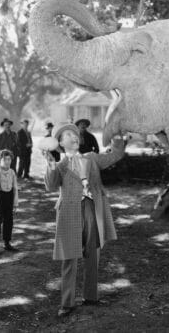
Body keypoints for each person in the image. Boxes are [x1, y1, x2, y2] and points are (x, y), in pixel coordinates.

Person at [43, 123, 124, 317]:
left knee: (93, 253)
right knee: (69, 257)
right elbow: (51, 185)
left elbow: (115, 156)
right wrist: (50, 164)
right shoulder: (61, 165)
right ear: (60, 143)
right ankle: (67, 302)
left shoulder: (92, 158)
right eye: (68, 134)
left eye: (75, 133)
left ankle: (91, 296)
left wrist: (117, 137)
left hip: (91, 208)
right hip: (69, 211)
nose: (74, 136)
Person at [0, 149, 19, 254]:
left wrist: (15, 204)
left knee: (9, 221)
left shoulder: (12, 172)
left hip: (9, 197)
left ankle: (7, 243)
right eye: (5, 159)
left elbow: (15, 188)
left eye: (9, 159)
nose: (7, 161)